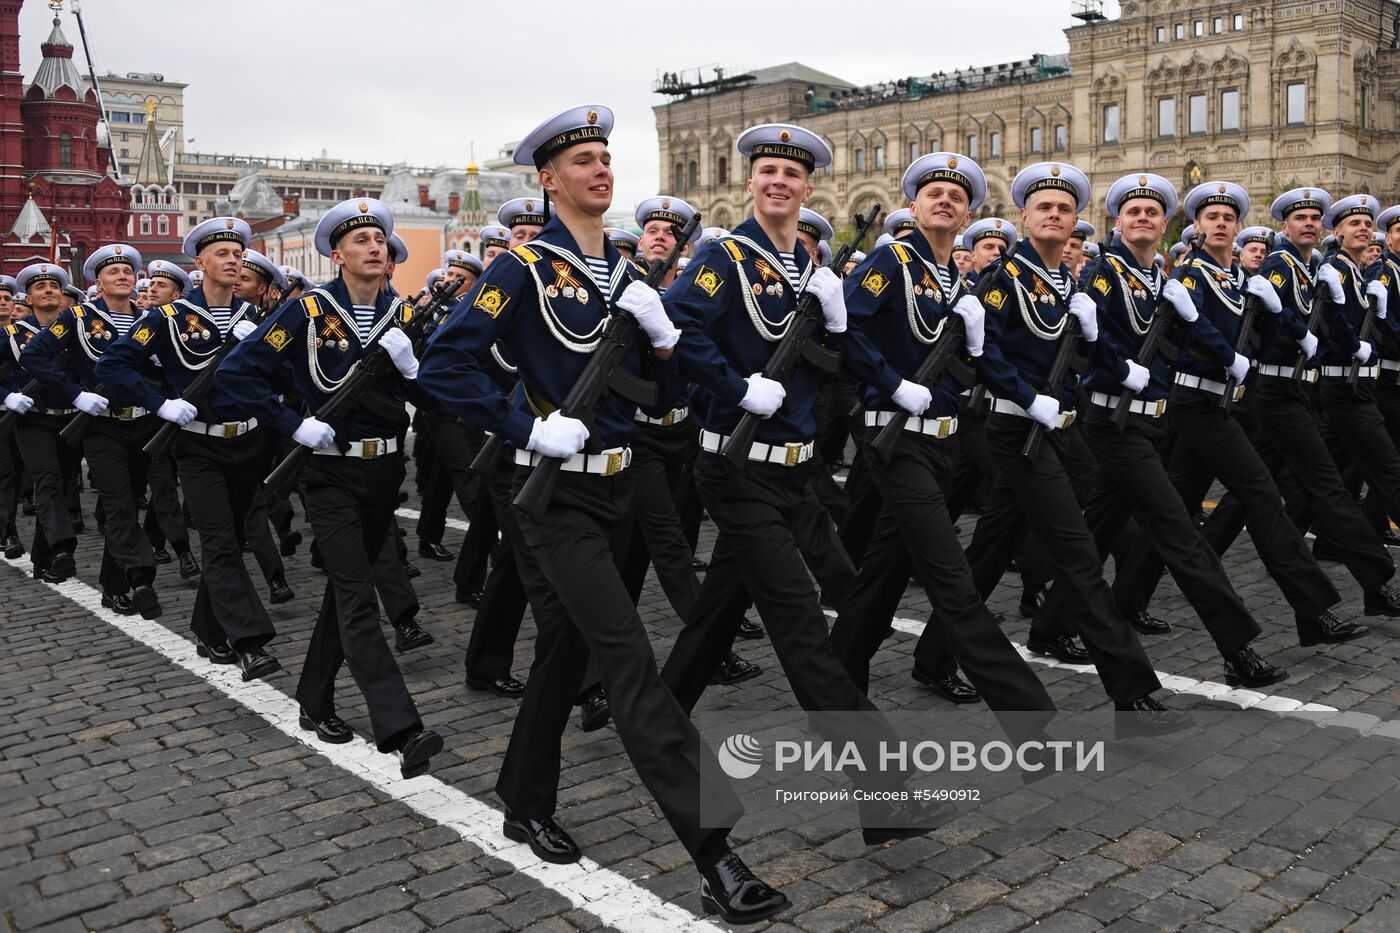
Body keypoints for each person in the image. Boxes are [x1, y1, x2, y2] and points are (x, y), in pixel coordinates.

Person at [419, 104, 790, 924]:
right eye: (582, 160)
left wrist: (718, 380)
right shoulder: (523, 268)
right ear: (548, 180)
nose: (600, 169)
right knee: (626, 655)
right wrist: (526, 425)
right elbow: (446, 366)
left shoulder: (624, 276)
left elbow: (681, 365)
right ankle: (714, 852)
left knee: (567, 646)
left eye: (605, 158)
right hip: (555, 496)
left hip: (620, 486)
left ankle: (522, 794)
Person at [661, 120, 954, 843]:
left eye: (792, 175)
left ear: (809, 187)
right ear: (750, 183)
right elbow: (678, 326)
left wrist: (833, 315)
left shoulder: (811, 268)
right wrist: (736, 387)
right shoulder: (722, 255)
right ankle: (885, 796)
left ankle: (654, 715)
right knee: (800, 628)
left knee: (712, 619)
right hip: (734, 465)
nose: (779, 183)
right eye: (767, 172)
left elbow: (836, 360)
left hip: (791, 472)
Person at [826, 149, 1057, 712]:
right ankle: (1024, 708)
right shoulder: (893, 260)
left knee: (884, 570)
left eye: (956, 198)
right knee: (949, 572)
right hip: (897, 434)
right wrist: (891, 382)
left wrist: (979, 350)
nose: (946, 202)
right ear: (915, 205)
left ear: (965, 216)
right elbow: (845, 329)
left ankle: (834, 682)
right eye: (935, 194)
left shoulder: (952, 281)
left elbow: (963, 362)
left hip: (940, 440)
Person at [221, 198, 443, 779]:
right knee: (355, 589)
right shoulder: (309, 312)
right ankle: (401, 728)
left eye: (381, 240)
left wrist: (415, 370)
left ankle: (314, 697)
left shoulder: (407, 318)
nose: (375, 247)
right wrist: (292, 423)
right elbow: (238, 374)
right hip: (329, 471)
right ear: (337, 255)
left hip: (387, 472)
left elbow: (440, 402)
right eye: (361, 240)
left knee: (348, 590)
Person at [962, 161, 1184, 729]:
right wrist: (1023, 395)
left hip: (1057, 428)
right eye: (1044, 208)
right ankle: (1131, 690)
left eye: (1064, 208)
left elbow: (1079, 353)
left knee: (987, 554)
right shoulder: (1002, 277)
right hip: (1018, 429)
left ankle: (934, 654)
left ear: (1076, 219)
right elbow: (984, 355)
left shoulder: (1071, 282)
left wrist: (1112, 360)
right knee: (1082, 558)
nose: (1055, 215)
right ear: (1023, 217)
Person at [1045, 172, 1288, 687]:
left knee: (1097, 530)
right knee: (1180, 532)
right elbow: (1088, 340)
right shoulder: (1105, 272)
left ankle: (1050, 624)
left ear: (1165, 224)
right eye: (1134, 212)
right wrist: (1117, 366)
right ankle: (1236, 645)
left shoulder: (1159, 276)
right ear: (1118, 221)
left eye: (1153, 213)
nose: (1144, 218)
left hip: (1147, 421)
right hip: (1113, 421)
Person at [1112, 181, 1363, 645]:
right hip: (1196, 402)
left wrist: (1292, 326)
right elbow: (1193, 332)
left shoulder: (1238, 279)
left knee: (1179, 507)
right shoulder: (1189, 276)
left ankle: (1127, 599)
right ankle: (1312, 610)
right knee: (1262, 495)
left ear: (1239, 226)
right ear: (1197, 227)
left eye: (1229, 218)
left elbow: (1270, 326)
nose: (1221, 224)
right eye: (1212, 218)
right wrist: (1226, 354)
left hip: (1216, 402)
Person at [97, 217, 286, 679]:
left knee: (236, 539)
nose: (234, 260)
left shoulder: (256, 319)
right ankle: (249, 641)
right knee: (219, 542)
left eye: (239, 254)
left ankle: (206, 628)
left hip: (249, 441)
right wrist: (160, 404)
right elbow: (113, 366)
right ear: (200, 263)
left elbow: (285, 376)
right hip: (198, 446)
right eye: (223, 253)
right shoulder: (168, 317)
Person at [22, 245, 167, 620]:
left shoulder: (152, 319)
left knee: (131, 502)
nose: (122, 276)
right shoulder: (77, 317)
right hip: (102, 427)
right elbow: (34, 356)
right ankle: (139, 578)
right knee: (118, 505)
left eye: (127, 271)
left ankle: (113, 585)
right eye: (112, 271)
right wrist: (75, 394)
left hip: (144, 424)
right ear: (97, 281)